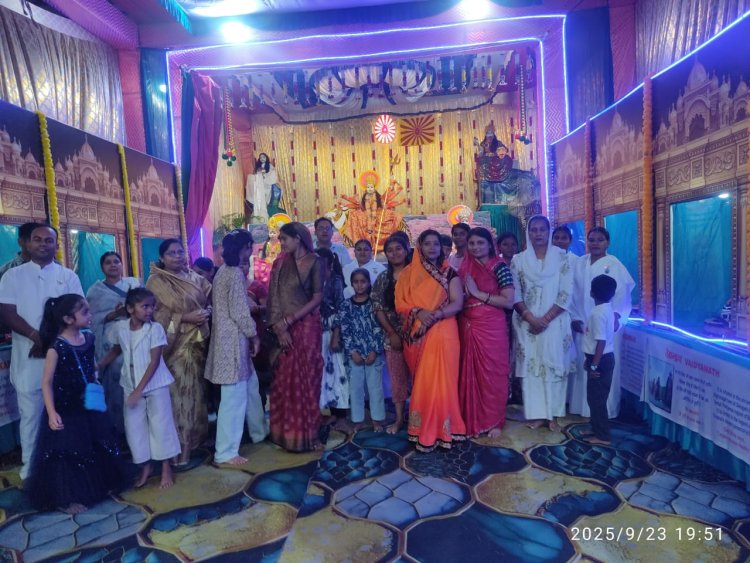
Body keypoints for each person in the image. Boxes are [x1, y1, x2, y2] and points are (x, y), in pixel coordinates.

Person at [26, 294, 125, 513]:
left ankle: (101, 484)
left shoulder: (88, 338)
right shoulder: (56, 347)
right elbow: (46, 382)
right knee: (69, 450)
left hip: (88, 402)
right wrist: (52, 412)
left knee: (96, 442)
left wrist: (95, 380)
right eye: (85, 312)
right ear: (68, 319)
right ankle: (67, 498)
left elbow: (90, 365)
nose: (90, 315)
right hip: (66, 406)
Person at [0, 225, 83, 482]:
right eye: (37, 239)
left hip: (63, 356)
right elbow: (7, 313)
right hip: (28, 358)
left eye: (49, 240)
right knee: (31, 416)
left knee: (67, 414)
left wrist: (52, 341)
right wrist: (35, 336)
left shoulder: (68, 276)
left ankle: (66, 467)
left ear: (57, 245)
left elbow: (78, 312)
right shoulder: (12, 276)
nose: (43, 244)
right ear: (27, 243)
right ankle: (31, 470)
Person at [98, 288, 180, 488]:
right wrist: (99, 365)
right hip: (130, 384)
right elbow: (117, 349)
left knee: (161, 426)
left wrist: (138, 391)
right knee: (134, 429)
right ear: (130, 308)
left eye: (152, 307)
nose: (149, 310)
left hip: (155, 385)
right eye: (145, 306)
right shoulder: (120, 328)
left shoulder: (155, 329)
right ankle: (145, 467)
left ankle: (166, 467)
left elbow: (154, 362)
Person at [395, 229, 466, 451]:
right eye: (427, 244)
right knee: (424, 381)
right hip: (419, 331)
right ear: (420, 247)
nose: (432, 248)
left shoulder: (449, 273)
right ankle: (422, 428)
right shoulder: (407, 274)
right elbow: (400, 304)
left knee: (444, 381)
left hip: (445, 330)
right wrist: (418, 312)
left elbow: (457, 302)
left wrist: (437, 314)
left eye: (436, 243)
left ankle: (447, 428)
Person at [146, 239, 212, 466]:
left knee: (195, 394)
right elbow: (154, 315)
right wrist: (184, 317)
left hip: (198, 342)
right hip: (175, 346)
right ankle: (177, 447)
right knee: (179, 396)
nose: (177, 256)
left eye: (180, 252)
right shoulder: (156, 282)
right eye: (171, 253)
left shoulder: (194, 277)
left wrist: (205, 313)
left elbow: (208, 300)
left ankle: (193, 442)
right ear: (162, 258)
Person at [205, 229, 266, 465]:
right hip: (232, 341)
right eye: (249, 247)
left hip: (229, 339)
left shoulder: (223, 271)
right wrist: (254, 335)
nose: (250, 251)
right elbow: (240, 312)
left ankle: (259, 432)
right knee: (234, 398)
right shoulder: (233, 273)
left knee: (249, 388)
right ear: (243, 248)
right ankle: (225, 452)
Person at [510, 215, 574, 432]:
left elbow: (566, 292)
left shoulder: (563, 258)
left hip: (555, 321)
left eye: (542, 230)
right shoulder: (518, 260)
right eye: (533, 230)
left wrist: (545, 319)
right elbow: (515, 292)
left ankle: (553, 414)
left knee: (553, 366)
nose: (538, 234)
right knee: (532, 369)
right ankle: (537, 414)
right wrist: (530, 318)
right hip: (526, 323)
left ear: (549, 232)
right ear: (528, 233)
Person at [267, 222, 325, 452]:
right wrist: (279, 328)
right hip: (283, 328)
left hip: (307, 326)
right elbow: (273, 297)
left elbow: (317, 298)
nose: (281, 243)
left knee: (308, 380)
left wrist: (290, 320)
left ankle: (310, 433)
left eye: (284, 239)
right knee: (284, 380)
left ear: (298, 238)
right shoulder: (280, 263)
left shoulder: (315, 261)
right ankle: (285, 434)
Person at [568, 226, 635, 418]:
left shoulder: (614, 264)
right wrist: (574, 317)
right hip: (583, 323)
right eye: (592, 240)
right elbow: (572, 292)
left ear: (608, 243)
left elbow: (623, 294)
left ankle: (605, 412)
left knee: (603, 367)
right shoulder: (580, 263)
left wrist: (616, 317)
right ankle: (580, 408)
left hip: (606, 324)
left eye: (600, 240)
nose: (595, 243)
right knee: (583, 365)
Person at [458, 227, 514, 438]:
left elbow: (508, 302)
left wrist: (478, 293)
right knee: (470, 373)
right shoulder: (465, 267)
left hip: (492, 328)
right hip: (468, 326)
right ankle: (470, 418)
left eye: (480, 243)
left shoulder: (500, 267)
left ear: (490, 245)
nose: (475, 247)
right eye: (471, 243)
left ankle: (495, 421)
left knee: (493, 374)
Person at [86, 251, 141, 435]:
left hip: (136, 335)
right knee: (117, 379)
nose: (113, 265)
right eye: (108, 262)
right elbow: (90, 319)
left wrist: (131, 312)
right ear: (102, 267)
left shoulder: (134, 284)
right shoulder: (95, 291)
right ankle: (118, 429)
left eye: (116, 261)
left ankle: (139, 430)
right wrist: (114, 314)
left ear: (122, 264)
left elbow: (148, 306)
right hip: (111, 341)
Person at [372, 234, 411, 434]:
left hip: (418, 335)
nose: (395, 253)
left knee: (422, 378)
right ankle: (399, 418)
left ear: (407, 250)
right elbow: (377, 308)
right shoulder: (383, 278)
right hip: (392, 337)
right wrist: (392, 333)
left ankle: (421, 417)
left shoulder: (417, 274)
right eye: (390, 250)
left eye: (398, 248)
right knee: (397, 379)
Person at [340, 269, 385, 432]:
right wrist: (352, 352)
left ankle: (377, 419)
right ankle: (357, 420)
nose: (359, 285)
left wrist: (375, 350)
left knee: (375, 387)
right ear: (351, 284)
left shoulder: (374, 304)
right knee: (355, 388)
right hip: (355, 355)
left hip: (373, 352)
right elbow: (345, 330)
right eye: (356, 282)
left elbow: (378, 328)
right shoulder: (345, 305)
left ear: (368, 283)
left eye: (363, 281)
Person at [580, 275, 618, 445]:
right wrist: (589, 361)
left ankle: (603, 436)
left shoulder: (597, 313)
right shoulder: (608, 309)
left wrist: (594, 365)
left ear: (592, 293)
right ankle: (596, 428)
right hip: (602, 358)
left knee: (597, 399)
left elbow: (601, 342)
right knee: (594, 397)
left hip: (600, 360)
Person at [316, 248, 348, 424]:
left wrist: (336, 335)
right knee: (324, 371)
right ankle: (328, 409)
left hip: (333, 330)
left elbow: (341, 309)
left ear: (328, 262)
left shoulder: (336, 281)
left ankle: (340, 411)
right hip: (319, 330)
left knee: (337, 369)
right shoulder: (316, 280)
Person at [341, 170, 404, 252]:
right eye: (368, 187)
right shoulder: (364, 197)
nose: (370, 189)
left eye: (371, 187)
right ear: (366, 189)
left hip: (377, 213)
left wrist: (384, 207)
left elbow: (383, 204)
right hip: (366, 214)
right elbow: (361, 206)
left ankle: (382, 245)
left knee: (390, 216)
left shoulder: (378, 197)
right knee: (354, 216)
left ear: (374, 188)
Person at [246, 153, 285, 223]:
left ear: (266, 158)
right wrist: (259, 175)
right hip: (260, 185)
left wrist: (264, 176)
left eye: (263, 157)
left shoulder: (270, 166)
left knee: (267, 195)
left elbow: (273, 176)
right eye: (260, 157)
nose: (262, 159)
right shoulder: (258, 166)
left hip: (267, 185)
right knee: (250, 177)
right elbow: (255, 175)